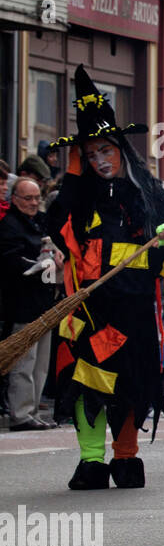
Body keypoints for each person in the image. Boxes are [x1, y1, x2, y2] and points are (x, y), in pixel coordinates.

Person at [45, 65, 164, 489]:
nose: (99, 160)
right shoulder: (79, 196)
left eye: (105, 151)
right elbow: (55, 226)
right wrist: (72, 176)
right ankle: (91, 461)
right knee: (86, 384)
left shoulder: (149, 195)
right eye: (90, 155)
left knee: (129, 386)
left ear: (121, 150)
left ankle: (127, 457)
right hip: (88, 308)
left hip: (136, 310)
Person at [0, 175, 62, 430]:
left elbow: (52, 246)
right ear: (15, 199)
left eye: (37, 198)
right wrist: (41, 265)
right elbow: (11, 262)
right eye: (28, 198)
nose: (34, 202)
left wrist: (57, 253)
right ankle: (21, 413)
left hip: (43, 303)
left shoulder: (39, 222)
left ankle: (33, 411)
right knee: (24, 362)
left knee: (40, 363)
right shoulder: (9, 226)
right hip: (22, 304)